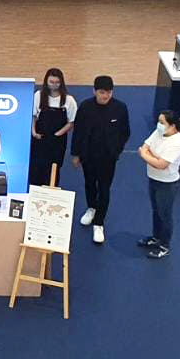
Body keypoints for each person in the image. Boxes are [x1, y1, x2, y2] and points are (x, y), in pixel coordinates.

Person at [71, 76, 129, 245]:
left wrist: (116, 150)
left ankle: (99, 223)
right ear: (94, 91)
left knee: (104, 188)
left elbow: (125, 132)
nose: (106, 96)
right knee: (89, 183)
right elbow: (78, 132)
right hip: (88, 156)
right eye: (102, 92)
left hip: (108, 159)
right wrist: (76, 154)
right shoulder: (85, 107)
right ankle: (91, 208)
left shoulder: (120, 108)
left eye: (109, 92)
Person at [138, 110, 180, 259]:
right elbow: (145, 145)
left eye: (162, 122)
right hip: (153, 178)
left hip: (167, 184)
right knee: (156, 210)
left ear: (172, 126)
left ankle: (164, 245)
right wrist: (150, 156)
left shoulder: (177, 143)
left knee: (164, 214)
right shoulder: (159, 133)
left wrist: (145, 155)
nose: (158, 125)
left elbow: (161, 164)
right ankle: (156, 237)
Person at [29, 68, 77, 187]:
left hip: (57, 143)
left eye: (57, 83)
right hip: (39, 140)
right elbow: (33, 116)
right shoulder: (38, 95)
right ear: (46, 82)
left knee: (52, 174)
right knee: (36, 172)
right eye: (51, 82)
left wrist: (58, 134)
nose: (54, 85)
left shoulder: (69, 100)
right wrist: (34, 132)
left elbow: (71, 122)